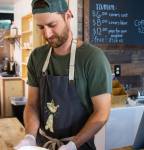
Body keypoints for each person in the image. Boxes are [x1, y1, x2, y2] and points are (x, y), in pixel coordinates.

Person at [15, 0, 112, 149]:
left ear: (68, 16)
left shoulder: (93, 58)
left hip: (79, 146)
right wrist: (29, 137)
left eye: (52, 25)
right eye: (41, 27)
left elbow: (102, 112)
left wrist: (72, 145)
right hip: (43, 145)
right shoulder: (36, 57)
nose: (47, 34)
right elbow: (32, 104)